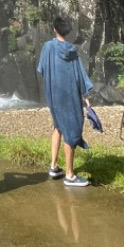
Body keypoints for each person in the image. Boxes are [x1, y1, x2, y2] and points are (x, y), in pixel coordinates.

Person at [37, 15, 92, 188]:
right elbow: (80, 75)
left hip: (53, 95)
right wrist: (86, 96)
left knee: (58, 125)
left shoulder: (47, 47)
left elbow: (41, 69)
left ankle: (54, 166)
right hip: (69, 95)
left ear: (54, 29)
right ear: (68, 32)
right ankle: (69, 175)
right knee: (70, 128)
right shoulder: (72, 51)